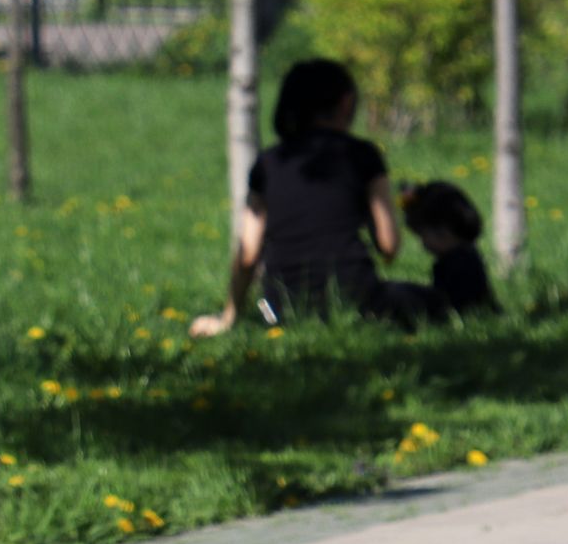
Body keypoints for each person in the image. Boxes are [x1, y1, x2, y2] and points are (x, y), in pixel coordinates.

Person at [187, 58, 402, 336]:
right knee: (423, 298)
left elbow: (248, 254)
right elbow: (389, 246)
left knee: (268, 313)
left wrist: (228, 317)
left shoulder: (268, 163)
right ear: (346, 102)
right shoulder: (362, 155)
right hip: (359, 302)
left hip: (278, 310)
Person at [397, 177, 499, 319]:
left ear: (443, 232)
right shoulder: (466, 255)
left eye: (423, 235)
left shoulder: (457, 263)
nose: (422, 244)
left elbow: (453, 306)